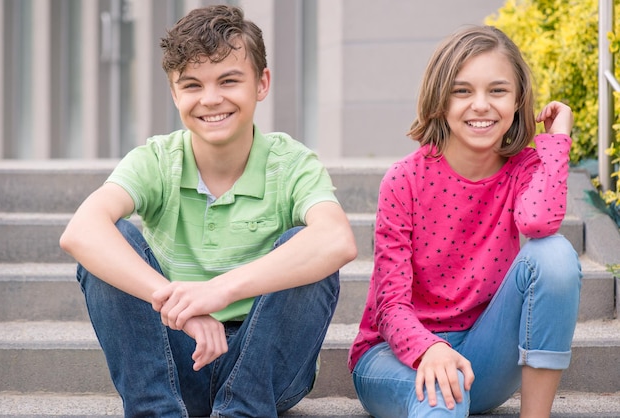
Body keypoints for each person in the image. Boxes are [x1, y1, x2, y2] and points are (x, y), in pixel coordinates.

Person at [60, 5, 357, 417]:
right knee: (113, 240)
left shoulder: (291, 163)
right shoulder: (158, 159)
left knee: (306, 247)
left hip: (266, 370)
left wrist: (219, 290)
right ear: (174, 92)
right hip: (176, 363)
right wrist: (184, 310)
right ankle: (155, 411)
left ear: (261, 83)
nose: (211, 99)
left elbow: (337, 239)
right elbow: (81, 232)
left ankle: (244, 411)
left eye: (229, 80)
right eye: (193, 85)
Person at [347, 25, 582, 418]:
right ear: (441, 99)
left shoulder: (522, 169)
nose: (481, 105)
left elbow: (539, 224)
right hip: (396, 359)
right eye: (462, 91)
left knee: (555, 255)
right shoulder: (404, 180)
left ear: (518, 99)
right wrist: (429, 349)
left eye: (497, 90)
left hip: (482, 361)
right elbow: (389, 306)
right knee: (442, 394)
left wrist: (557, 141)